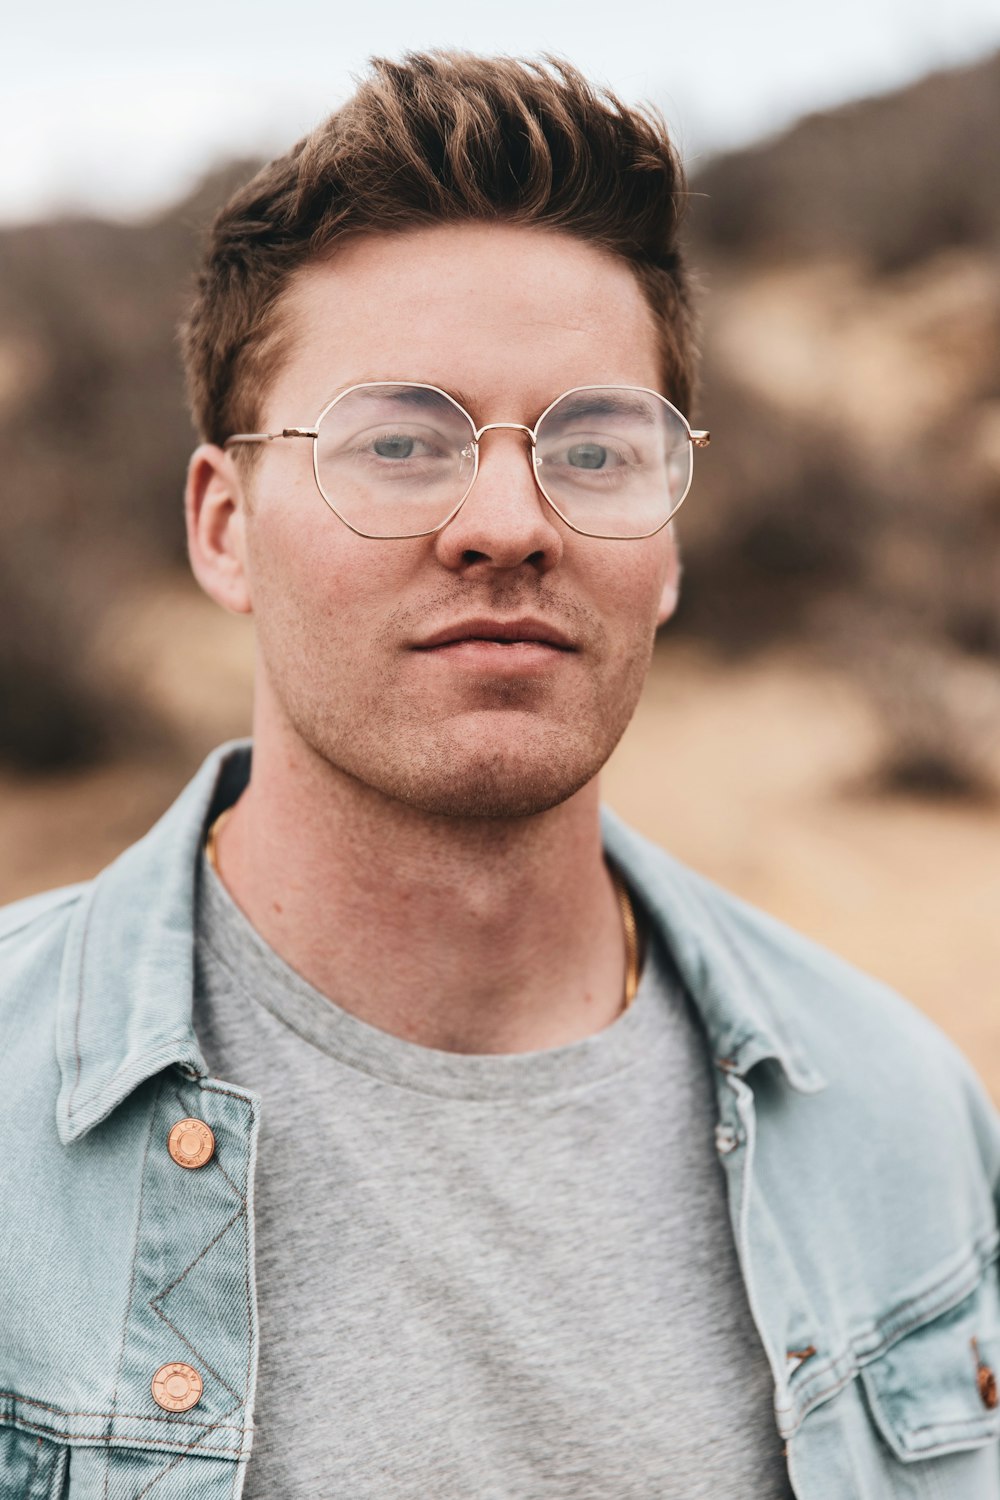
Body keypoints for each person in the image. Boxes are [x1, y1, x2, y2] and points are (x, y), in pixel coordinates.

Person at [1, 50, 999, 1500]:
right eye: (400, 442)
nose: (506, 522)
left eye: (595, 448)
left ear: (668, 542)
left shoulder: (903, 1120)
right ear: (224, 527)